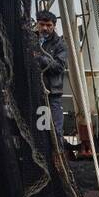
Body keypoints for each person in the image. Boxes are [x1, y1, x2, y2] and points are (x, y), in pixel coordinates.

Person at [33, 9, 68, 144]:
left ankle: (58, 157)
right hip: (37, 92)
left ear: (54, 26)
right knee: (40, 128)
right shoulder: (30, 39)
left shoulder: (60, 44)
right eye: (42, 25)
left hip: (52, 94)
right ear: (37, 24)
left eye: (48, 25)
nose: (45, 28)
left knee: (55, 129)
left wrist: (40, 58)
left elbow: (59, 66)